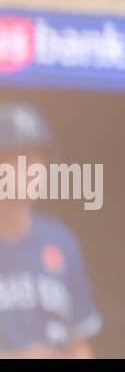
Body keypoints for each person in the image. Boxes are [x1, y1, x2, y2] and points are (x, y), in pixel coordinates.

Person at [0, 104, 101, 358]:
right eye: (20, 156)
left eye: (39, 157)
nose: (34, 168)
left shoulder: (62, 241)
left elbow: (80, 343)